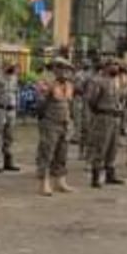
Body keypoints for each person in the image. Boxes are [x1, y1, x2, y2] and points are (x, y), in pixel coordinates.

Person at [35, 58, 75, 196]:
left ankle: (60, 181)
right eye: (62, 68)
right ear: (55, 69)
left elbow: (69, 103)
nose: (65, 72)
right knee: (46, 152)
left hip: (64, 122)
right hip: (50, 122)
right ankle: (43, 182)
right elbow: (40, 103)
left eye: (67, 69)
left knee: (62, 153)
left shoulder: (68, 84)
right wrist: (50, 89)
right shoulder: (46, 82)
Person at [87, 59, 126, 188]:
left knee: (113, 147)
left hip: (115, 117)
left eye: (117, 65)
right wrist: (100, 111)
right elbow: (92, 100)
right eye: (113, 65)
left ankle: (110, 174)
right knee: (101, 146)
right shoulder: (98, 81)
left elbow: (119, 99)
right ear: (106, 67)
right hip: (103, 117)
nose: (116, 68)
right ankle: (96, 176)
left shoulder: (117, 81)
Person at [0, 62, 20, 173]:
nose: (11, 68)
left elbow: (16, 93)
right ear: (4, 67)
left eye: (13, 66)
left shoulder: (14, 79)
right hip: (0, 109)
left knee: (9, 136)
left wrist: (17, 107)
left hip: (11, 110)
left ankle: (8, 161)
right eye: (9, 65)